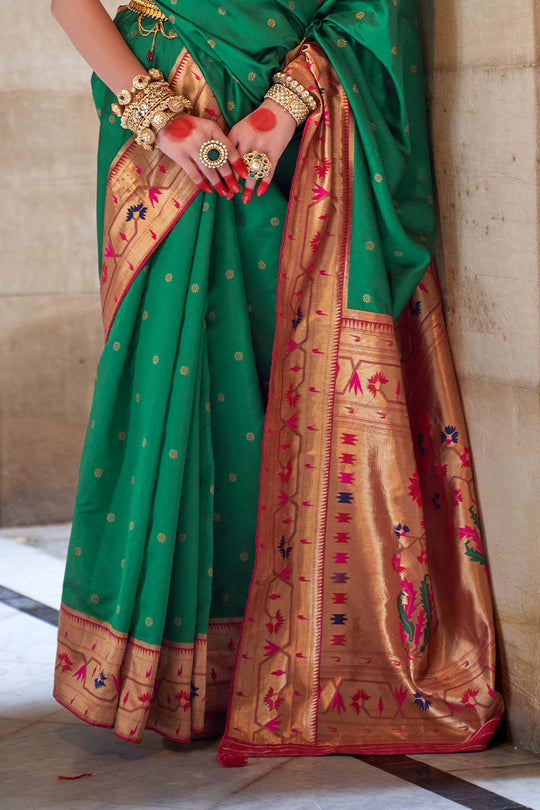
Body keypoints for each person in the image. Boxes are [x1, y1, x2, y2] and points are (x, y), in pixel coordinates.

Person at [52, 0, 503, 763]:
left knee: (278, 381)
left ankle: (285, 663)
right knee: (183, 388)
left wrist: (285, 106)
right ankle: (179, 677)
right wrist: (160, 115)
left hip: (298, 123)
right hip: (171, 115)